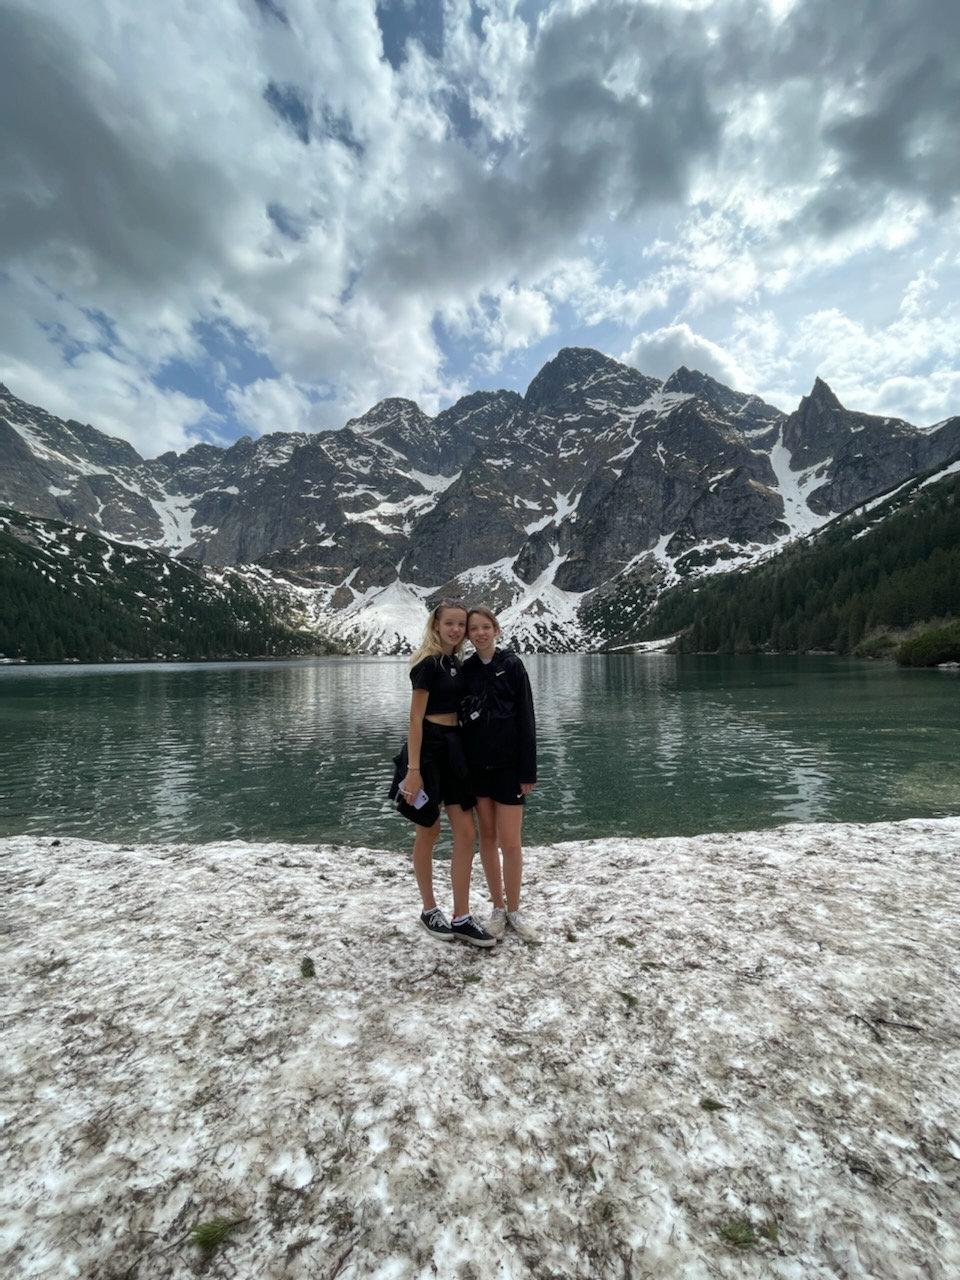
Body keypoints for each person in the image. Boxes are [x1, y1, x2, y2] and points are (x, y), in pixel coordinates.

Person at [396, 601, 495, 948]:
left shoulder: (455, 664)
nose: (455, 629)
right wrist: (413, 771)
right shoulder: (427, 665)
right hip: (428, 751)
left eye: (460, 624)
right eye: (449, 623)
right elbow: (414, 720)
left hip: (455, 747)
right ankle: (429, 909)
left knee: (466, 832)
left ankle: (462, 917)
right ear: (436, 625)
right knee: (429, 829)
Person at [461, 606, 539, 942]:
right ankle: (497, 907)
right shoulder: (466, 670)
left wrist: (528, 771)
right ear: (468, 635)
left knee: (511, 841)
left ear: (496, 629)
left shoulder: (512, 665)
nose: (480, 633)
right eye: (473, 629)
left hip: (509, 768)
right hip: (478, 769)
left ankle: (515, 910)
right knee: (488, 839)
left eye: (485, 627)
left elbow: (527, 718)